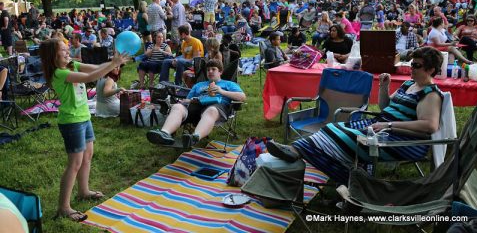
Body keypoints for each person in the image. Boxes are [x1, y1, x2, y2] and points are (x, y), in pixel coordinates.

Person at [267, 47, 444, 184]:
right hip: (381, 126)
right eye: (411, 63)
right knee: (331, 128)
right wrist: (384, 87)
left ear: (430, 69)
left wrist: (388, 126)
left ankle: (349, 179)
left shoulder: (430, 94)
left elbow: (429, 126)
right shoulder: (409, 84)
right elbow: (385, 106)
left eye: (416, 65)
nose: (411, 68)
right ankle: (348, 177)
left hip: (401, 139)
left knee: (340, 138)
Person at [39, 38, 129, 222]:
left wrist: (113, 62)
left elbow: (95, 68)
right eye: (62, 50)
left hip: (84, 117)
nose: (67, 52)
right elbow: (90, 78)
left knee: (87, 156)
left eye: (66, 49)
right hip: (72, 122)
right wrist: (113, 64)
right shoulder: (60, 73)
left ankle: (83, 191)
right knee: (75, 163)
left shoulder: (73, 65)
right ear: (52, 56)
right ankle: (64, 207)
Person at [147, 59, 246, 148]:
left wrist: (221, 91)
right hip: (196, 107)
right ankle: (164, 134)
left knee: (211, 110)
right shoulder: (199, 85)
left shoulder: (228, 84)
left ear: (220, 72)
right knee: (178, 107)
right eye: (208, 70)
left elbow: (242, 97)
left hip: (217, 107)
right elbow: (188, 100)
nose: (210, 71)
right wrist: (189, 100)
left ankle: (194, 137)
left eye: (213, 69)